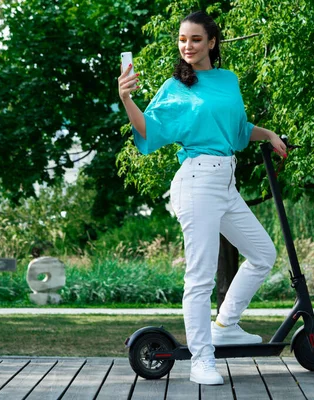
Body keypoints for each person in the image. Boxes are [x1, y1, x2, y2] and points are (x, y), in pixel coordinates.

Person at [117, 10, 287, 386]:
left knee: (263, 254)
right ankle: (201, 361)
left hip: (226, 182)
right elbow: (150, 129)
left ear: (212, 42)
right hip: (197, 181)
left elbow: (238, 130)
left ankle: (225, 324)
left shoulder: (228, 80)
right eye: (182, 39)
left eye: (195, 39)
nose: (187, 46)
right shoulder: (177, 87)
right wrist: (126, 99)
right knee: (200, 277)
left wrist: (269, 134)